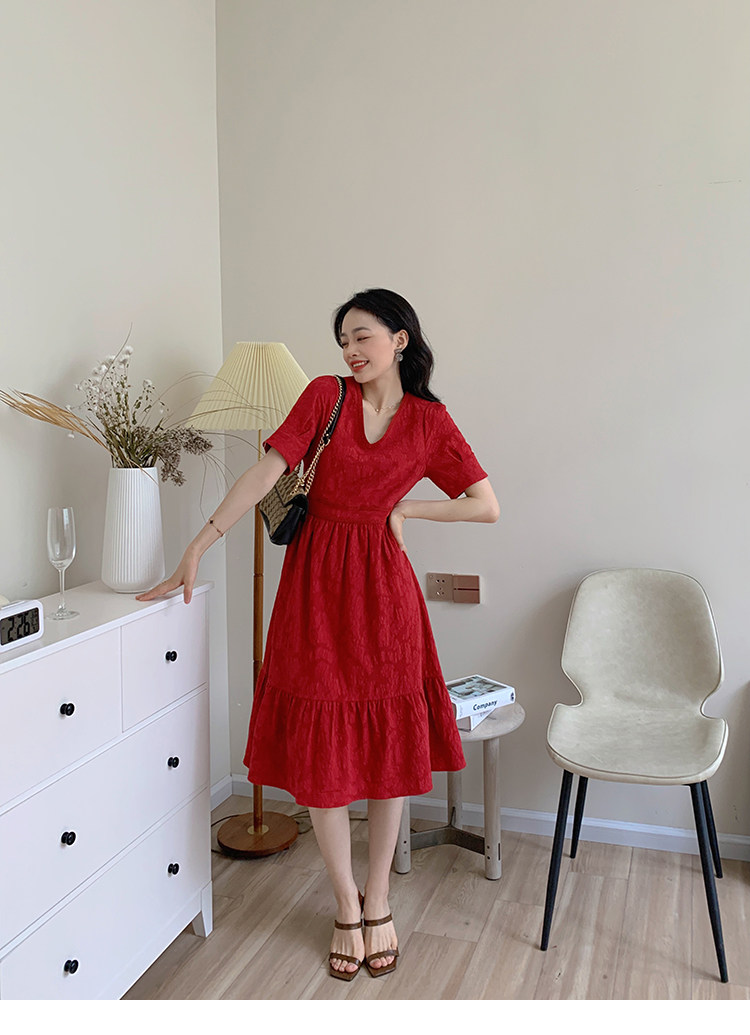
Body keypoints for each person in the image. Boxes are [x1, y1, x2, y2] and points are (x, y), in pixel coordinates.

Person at [136, 288, 499, 980]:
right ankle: (344, 901)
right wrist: (201, 542)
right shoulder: (324, 396)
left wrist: (406, 507)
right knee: (324, 754)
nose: (351, 350)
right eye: (343, 340)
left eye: (363, 336)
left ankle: (379, 897)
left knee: (388, 754)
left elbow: (486, 504)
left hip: (386, 596)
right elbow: (267, 470)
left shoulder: (430, 421)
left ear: (399, 339)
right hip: (314, 591)